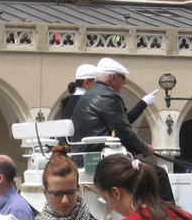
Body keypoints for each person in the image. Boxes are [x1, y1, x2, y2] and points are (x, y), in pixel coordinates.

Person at [70, 57, 173, 202]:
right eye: (122, 78)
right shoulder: (108, 96)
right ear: (112, 78)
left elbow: (118, 128)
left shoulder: (90, 94)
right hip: (102, 160)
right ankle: (169, 218)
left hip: (85, 157)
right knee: (158, 174)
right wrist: (144, 148)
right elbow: (124, 130)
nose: (124, 82)